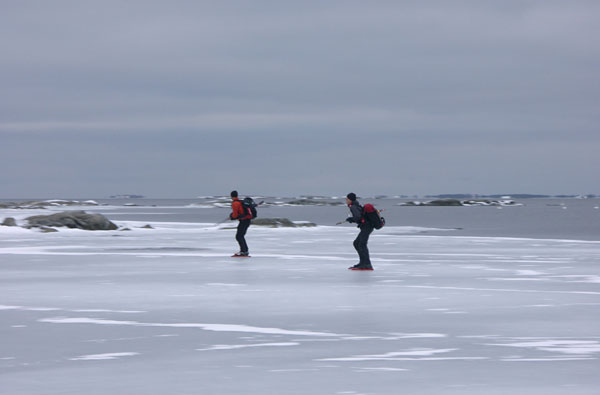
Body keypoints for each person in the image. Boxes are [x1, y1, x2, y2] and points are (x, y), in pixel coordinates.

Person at [345, 193, 374, 271]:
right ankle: (363, 263)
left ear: (350, 199)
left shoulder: (353, 206)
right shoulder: (356, 205)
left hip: (367, 227)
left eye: (347, 199)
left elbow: (358, 217)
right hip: (367, 226)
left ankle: (367, 264)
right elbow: (360, 217)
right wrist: (352, 219)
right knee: (357, 243)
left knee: (361, 244)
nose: (346, 200)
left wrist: (351, 219)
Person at [230, 190, 252, 257]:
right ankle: (245, 251)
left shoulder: (235, 203)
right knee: (241, 236)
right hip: (248, 220)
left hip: (244, 221)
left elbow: (235, 215)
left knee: (239, 236)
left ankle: (244, 251)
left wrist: (231, 216)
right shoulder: (240, 202)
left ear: (231, 196)